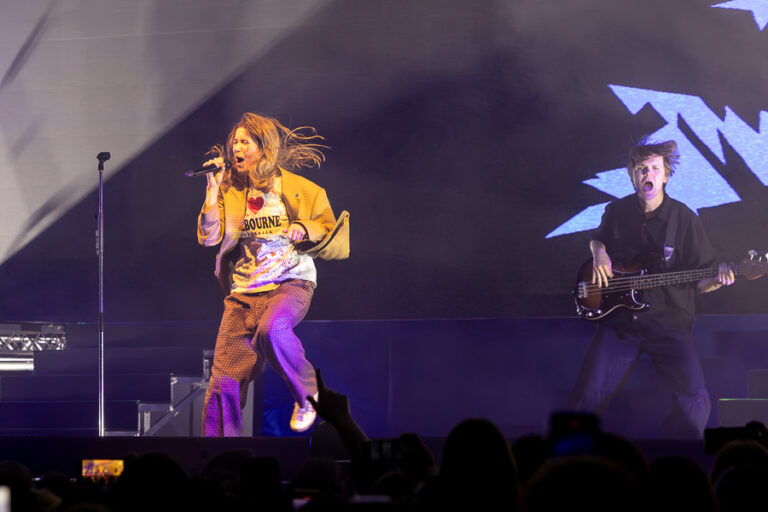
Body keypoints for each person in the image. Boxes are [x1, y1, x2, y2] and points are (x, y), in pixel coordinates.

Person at [569, 138, 734, 438]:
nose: (648, 174)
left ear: (666, 175)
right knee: (586, 395)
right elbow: (598, 238)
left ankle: (679, 456)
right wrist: (598, 251)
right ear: (632, 175)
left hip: (668, 325)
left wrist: (717, 279)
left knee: (694, 398)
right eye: (642, 168)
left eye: (655, 168)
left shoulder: (684, 219)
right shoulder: (616, 211)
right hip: (621, 325)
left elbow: (701, 282)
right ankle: (569, 456)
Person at [197, 112, 349, 436]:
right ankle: (220, 453)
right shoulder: (230, 190)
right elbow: (209, 237)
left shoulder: (297, 187)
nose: (236, 148)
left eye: (244, 142)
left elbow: (327, 226)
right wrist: (212, 189)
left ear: (263, 147)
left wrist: (303, 227)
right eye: (234, 142)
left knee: (273, 328)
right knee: (224, 381)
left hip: (290, 282)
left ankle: (308, 396)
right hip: (244, 291)